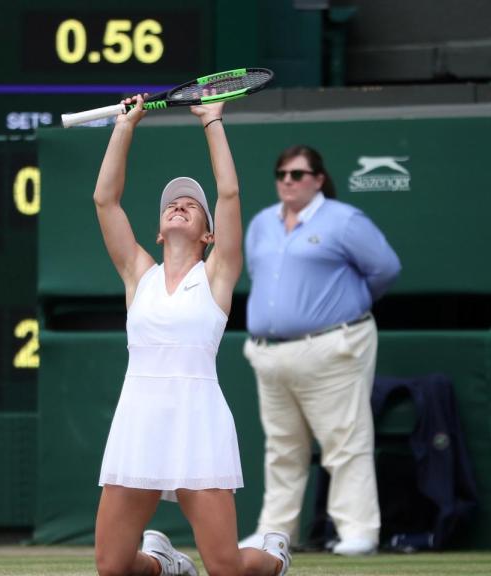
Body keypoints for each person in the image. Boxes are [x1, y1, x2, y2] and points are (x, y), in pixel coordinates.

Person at [92, 93, 290, 576]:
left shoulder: (219, 274)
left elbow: (228, 195)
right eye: (171, 204)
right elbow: (105, 200)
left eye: (190, 205)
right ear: (159, 233)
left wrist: (212, 120)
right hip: (138, 420)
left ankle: (274, 557)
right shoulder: (139, 274)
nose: (180, 205)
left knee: (224, 567)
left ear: (208, 234)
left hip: (197, 422)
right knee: (112, 568)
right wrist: (125, 125)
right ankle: (165, 564)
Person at [238, 145, 401, 556]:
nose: (287, 182)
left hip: (332, 347)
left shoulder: (344, 221)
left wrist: (345, 305)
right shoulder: (261, 224)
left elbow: (385, 269)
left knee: (345, 441)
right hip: (271, 354)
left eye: (296, 174)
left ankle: (358, 531)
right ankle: (276, 532)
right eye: (281, 174)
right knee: (282, 447)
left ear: (318, 178)